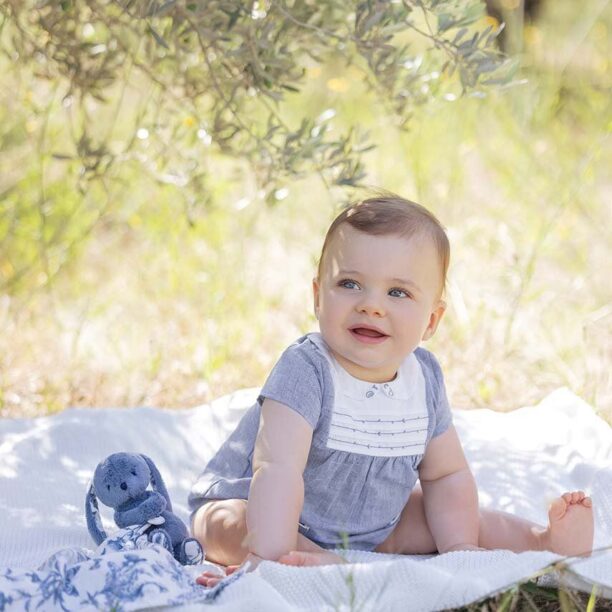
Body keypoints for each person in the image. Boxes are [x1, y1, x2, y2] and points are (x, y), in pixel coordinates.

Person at [189, 195, 594, 587]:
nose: (371, 305)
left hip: (377, 522)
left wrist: (459, 547)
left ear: (431, 320)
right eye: (350, 284)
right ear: (317, 296)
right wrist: (267, 556)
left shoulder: (424, 379)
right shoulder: (307, 369)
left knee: (461, 515)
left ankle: (543, 542)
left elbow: (446, 474)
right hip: (265, 507)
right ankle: (295, 558)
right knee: (229, 526)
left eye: (397, 292)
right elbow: (277, 470)